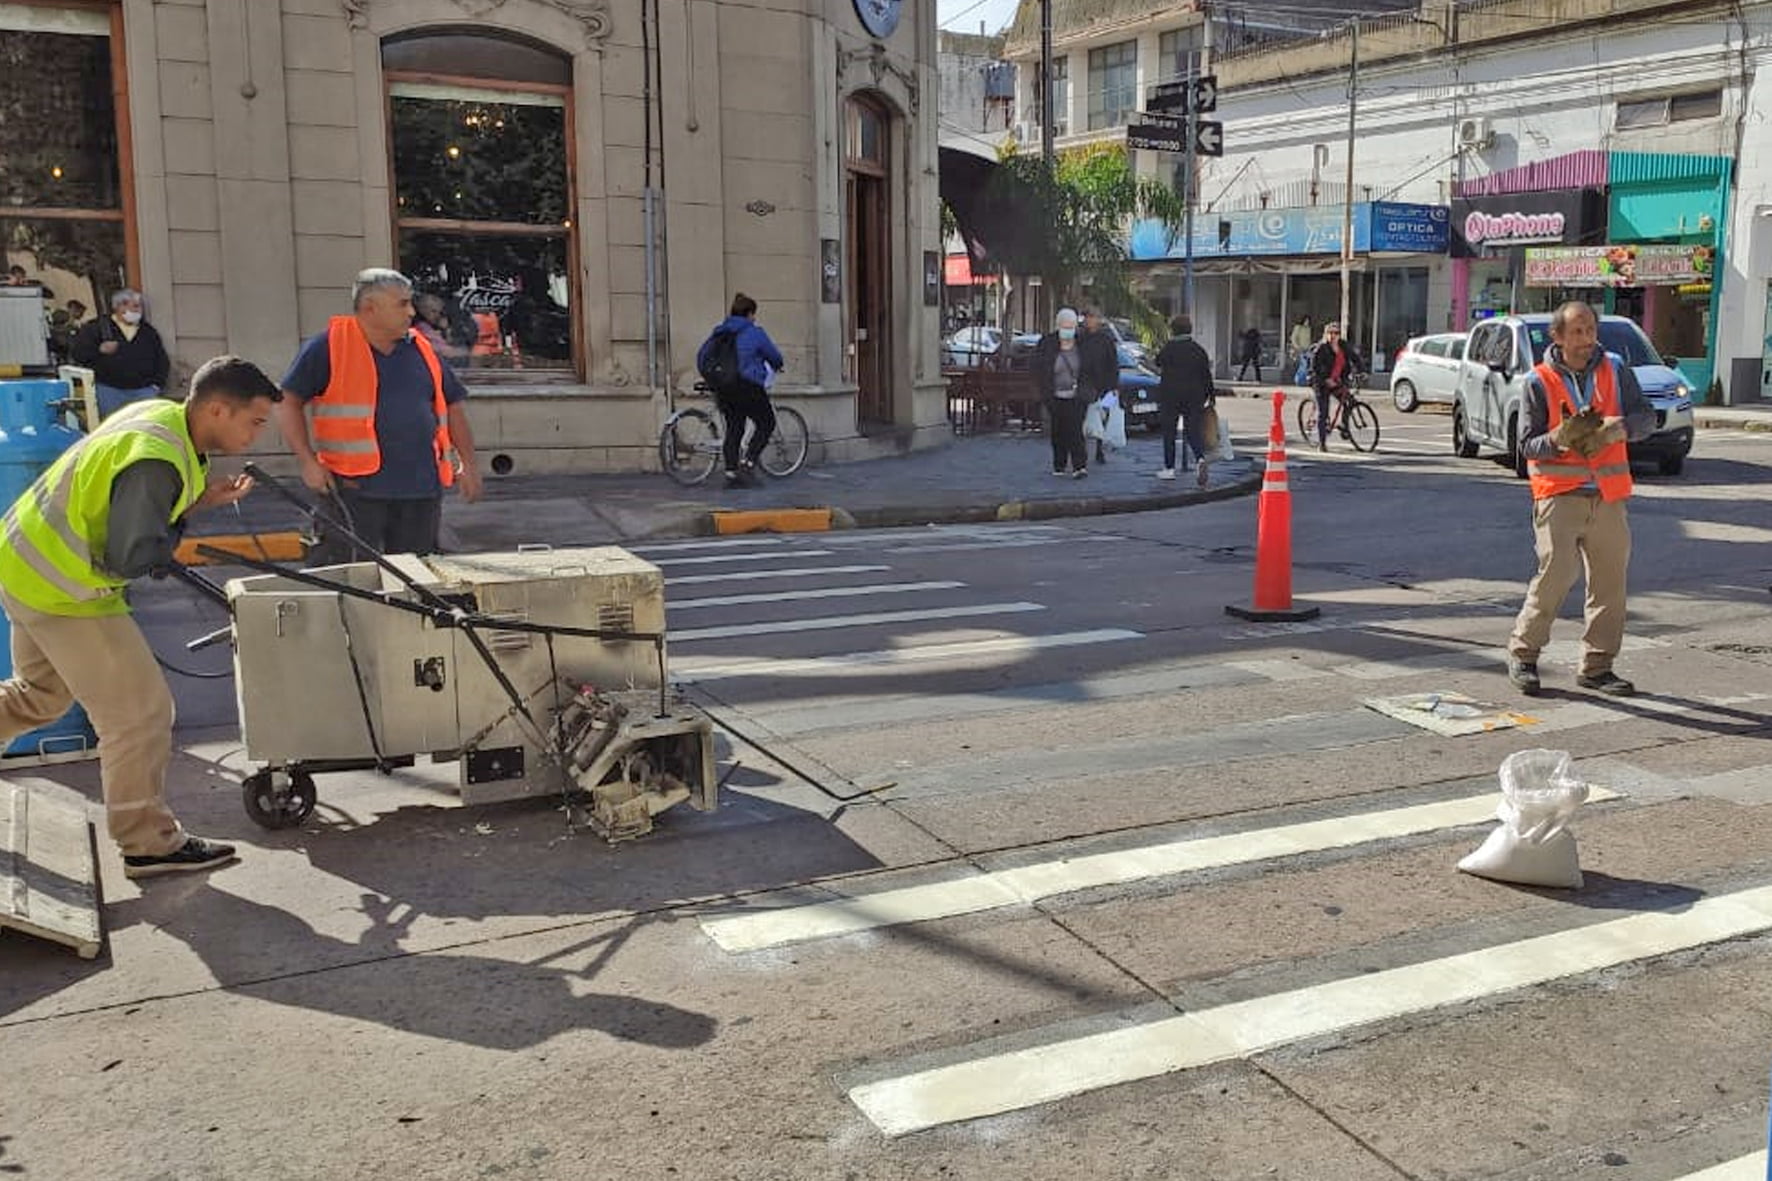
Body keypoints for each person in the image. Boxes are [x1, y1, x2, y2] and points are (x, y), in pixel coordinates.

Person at [0, 356, 281, 878]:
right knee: (140, 715)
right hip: (67, 588)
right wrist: (173, 533)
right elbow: (136, 554)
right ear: (218, 408)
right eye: (255, 421)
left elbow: (137, 505)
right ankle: (147, 842)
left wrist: (196, 504)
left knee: (40, 697)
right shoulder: (157, 458)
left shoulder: (162, 419)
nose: (259, 432)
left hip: (23, 563)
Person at [277, 268, 483, 564]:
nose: (412, 312)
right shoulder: (328, 348)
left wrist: (468, 466)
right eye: (402, 304)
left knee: (416, 583)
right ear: (370, 308)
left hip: (420, 492)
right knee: (351, 581)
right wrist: (307, 462)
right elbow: (287, 401)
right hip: (353, 494)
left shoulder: (422, 350)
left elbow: (453, 407)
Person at [1506, 301, 1657, 699]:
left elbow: (1647, 418)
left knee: (1610, 585)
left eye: (1591, 330)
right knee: (1555, 577)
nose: (1586, 340)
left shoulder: (1615, 370)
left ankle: (1597, 666)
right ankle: (1524, 655)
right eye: (1577, 331)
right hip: (1559, 496)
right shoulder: (1538, 381)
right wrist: (1560, 438)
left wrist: (1619, 428)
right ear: (1557, 337)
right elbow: (1526, 445)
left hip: (1607, 497)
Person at [696, 292, 784, 489]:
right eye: (754, 314)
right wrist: (777, 365)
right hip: (747, 385)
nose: (754, 318)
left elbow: (702, 356)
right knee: (766, 422)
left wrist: (713, 377)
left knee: (735, 427)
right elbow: (774, 356)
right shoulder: (755, 332)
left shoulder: (719, 332)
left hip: (723, 387)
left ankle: (731, 473)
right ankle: (748, 463)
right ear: (749, 314)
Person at [69, 289, 171, 420]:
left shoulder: (148, 332)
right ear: (116, 307)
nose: (134, 310)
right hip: (109, 390)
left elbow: (162, 360)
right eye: (128, 305)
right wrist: (99, 350)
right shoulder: (97, 328)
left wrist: (156, 386)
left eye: (137, 306)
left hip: (143, 391)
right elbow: (78, 354)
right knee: (112, 428)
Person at [1154, 314, 1217, 488]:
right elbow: (1206, 375)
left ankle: (1169, 468)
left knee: (1169, 432)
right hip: (1194, 396)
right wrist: (1211, 396)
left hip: (1170, 396)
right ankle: (1200, 458)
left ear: (1173, 330)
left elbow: (1157, 361)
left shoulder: (1169, 348)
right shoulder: (1198, 350)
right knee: (1192, 431)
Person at [1032, 308, 1094, 479]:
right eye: (1065, 326)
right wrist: (1043, 390)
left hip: (1077, 395)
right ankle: (1059, 464)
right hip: (1055, 395)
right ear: (1058, 325)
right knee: (1058, 430)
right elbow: (1038, 367)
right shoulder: (1047, 343)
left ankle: (1079, 466)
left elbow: (1091, 366)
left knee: (1075, 429)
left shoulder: (1083, 343)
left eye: (1071, 326)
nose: (1068, 330)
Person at [1308, 322, 1364, 452]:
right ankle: (1322, 443)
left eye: (1336, 333)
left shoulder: (1343, 346)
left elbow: (1355, 358)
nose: (1333, 336)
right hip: (1321, 383)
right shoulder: (1321, 348)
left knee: (1349, 401)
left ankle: (1344, 426)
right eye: (1331, 333)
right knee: (1324, 411)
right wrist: (1325, 380)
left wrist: (1362, 371)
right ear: (1326, 334)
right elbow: (1314, 368)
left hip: (1337, 381)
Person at [1076, 306, 1120, 467]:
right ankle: (1082, 452)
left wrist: (1114, 386)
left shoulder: (1106, 340)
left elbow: (1113, 363)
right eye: (1087, 317)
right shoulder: (1080, 338)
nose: (1089, 320)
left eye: (1092, 317)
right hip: (1085, 385)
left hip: (1105, 386)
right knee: (1082, 418)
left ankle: (1100, 449)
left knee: (1103, 417)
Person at [413, 292, 472, 370]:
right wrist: (471, 352)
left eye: (440, 312)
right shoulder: (423, 328)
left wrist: (446, 330)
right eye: (433, 311)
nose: (437, 315)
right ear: (422, 310)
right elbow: (445, 351)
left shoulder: (434, 328)